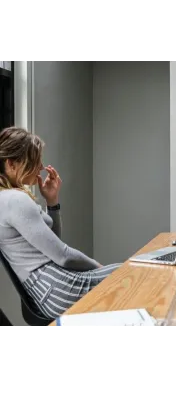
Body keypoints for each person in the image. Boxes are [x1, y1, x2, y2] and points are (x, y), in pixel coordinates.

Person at [0, 127, 121, 319]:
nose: (40, 167)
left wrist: (52, 201)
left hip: (50, 290)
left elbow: (51, 244)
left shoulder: (7, 198)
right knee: (131, 274)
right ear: (11, 164)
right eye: (34, 160)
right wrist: (98, 267)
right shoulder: (15, 200)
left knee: (128, 274)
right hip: (56, 288)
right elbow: (63, 256)